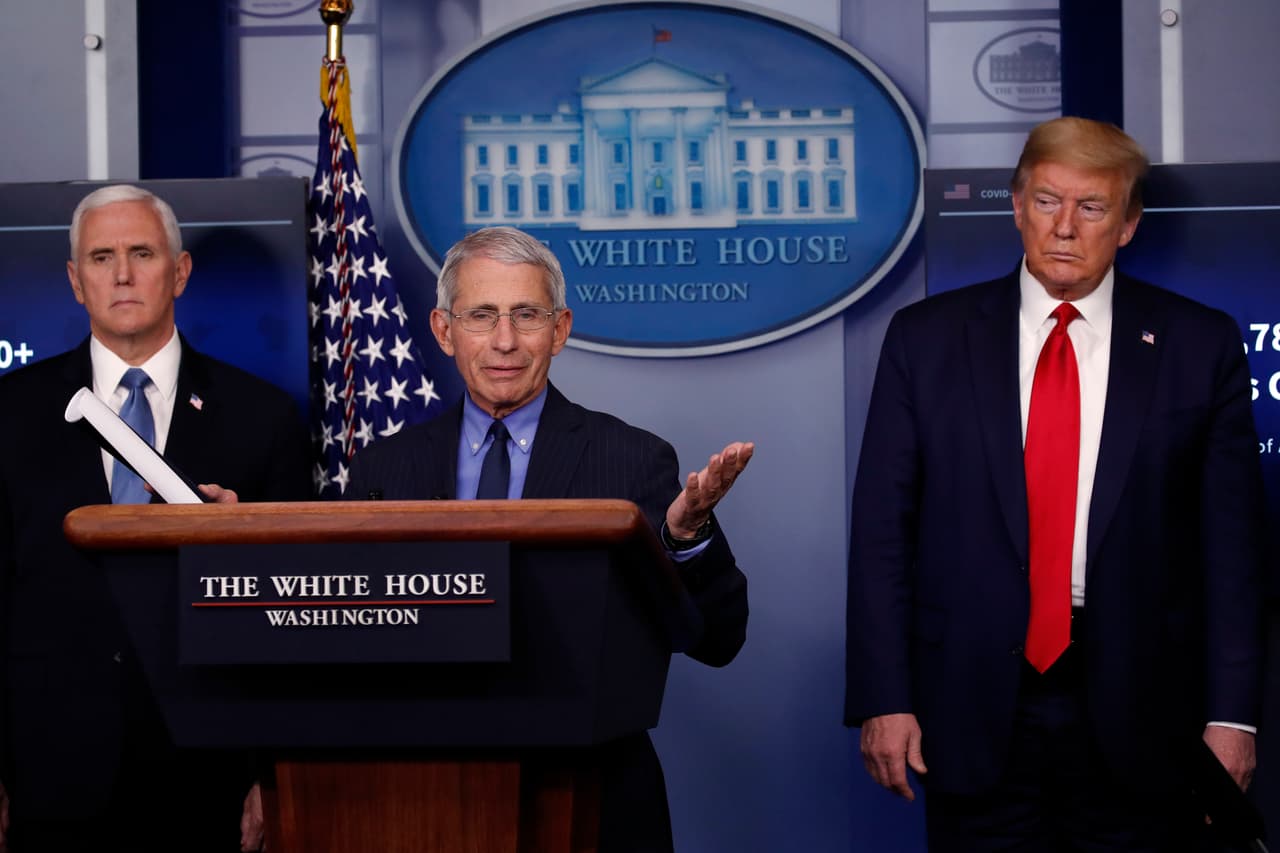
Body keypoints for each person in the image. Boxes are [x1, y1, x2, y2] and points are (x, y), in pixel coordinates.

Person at [845, 117, 1266, 850]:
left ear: (1129, 224)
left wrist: (1232, 716)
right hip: (971, 710)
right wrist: (884, 695)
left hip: (1144, 719)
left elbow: (1233, 554)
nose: (1064, 227)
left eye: (1092, 208)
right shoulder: (925, 339)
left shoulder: (1200, 345)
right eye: (1046, 202)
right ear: (1015, 207)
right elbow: (884, 532)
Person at [348, 225, 753, 853]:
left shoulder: (633, 460)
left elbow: (718, 641)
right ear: (443, 329)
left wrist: (685, 534)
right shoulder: (381, 470)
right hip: (419, 799)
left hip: (592, 798)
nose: (504, 340)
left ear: (560, 330)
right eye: (481, 315)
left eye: (526, 315)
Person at [0, 185, 311, 851]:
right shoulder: (9, 413)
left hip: (205, 775)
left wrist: (271, 773)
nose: (121, 274)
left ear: (180, 271)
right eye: (101, 256)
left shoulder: (264, 416)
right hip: (49, 773)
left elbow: (289, 619)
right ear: (75, 280)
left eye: (141, 252)